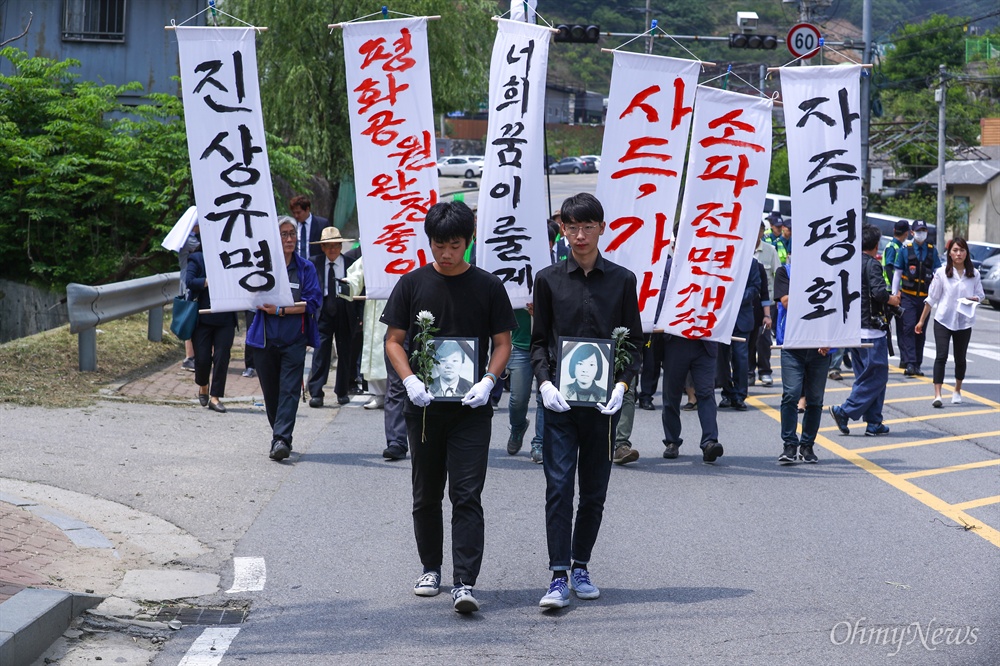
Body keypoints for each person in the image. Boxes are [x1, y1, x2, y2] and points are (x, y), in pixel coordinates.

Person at [381, 201, 515, 614]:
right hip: (423, 409)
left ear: (469, 242)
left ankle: (465, 581)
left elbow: (503, 343)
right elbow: (393, 340)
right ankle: (430, 567)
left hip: (471, 409)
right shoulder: (412, 284)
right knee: (425, 493)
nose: (446, 254)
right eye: (439, 245)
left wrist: (489, 380)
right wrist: (410, 379)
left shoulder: (489, 286)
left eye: (454, 245)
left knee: (466, 493)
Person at [530, 193, 642, 610]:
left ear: (601, 228)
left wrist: (622, 386)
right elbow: (539, 341)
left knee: (594, 491)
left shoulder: (622, 279)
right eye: (572, 227)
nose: (580, 235)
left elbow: (633, 342)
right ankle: (558, 573)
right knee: (558, 488)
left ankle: (581, 564)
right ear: (562, 229)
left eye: (588, 226)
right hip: (559, 403)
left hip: (602, 406)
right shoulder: (547, 279)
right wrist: (544, 384)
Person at [246, 217, 322, 461]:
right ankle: (279, 433)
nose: (289, 239)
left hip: (294, 340)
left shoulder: (305, 268)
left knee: (289, 390)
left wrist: (280, 310)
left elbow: (312, 302)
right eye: (284, 235)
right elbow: (247, 294)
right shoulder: (262, 267)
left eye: (292, 234)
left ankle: (281, 439)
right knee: (271, 393)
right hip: (265, 341)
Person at [828, 224, 901, 437]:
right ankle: (844, 411)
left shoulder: (849, 263)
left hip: (852, 328)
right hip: (871, 329)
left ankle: (874, 422)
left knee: (864, 377)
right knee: (877, 377)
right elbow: (879, 293)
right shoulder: (872, 264)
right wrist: (893, 299)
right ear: (877, 245)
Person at [659, 254, 722, 463]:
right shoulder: (669, 267)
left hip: (704, 340)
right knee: (671, 393)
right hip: (676, 339)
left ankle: (710, 442)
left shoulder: (714, 262)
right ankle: (671, 441)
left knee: (706, 392)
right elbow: (661, 296)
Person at [914, 237, 985, 408]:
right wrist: (921, 321)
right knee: (941, 356)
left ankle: (957, 390)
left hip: (964, 321)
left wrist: (975, 298)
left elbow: (981, 295)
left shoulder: (974, 274)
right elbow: (932, 298)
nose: (958, 254)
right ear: (949, 253)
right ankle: (937, 394)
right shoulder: (941, 273)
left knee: (960, 358)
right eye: (955, 250)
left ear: (966, 253)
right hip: (944, 319)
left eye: (961, 250)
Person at [773, 260, 831, 464]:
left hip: (821, 347)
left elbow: (837, 307)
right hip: (793, 346)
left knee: (815, 399)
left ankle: (807, 446)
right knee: (791, 394)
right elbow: (787, 302)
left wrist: (830, 339)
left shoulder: (829, 271)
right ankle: (789, 444)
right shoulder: (785, 272)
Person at [184, 230, 237, 413]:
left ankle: (215, 397)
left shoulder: (231, 258)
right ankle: (203, 385)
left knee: (222, 357)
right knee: (203, 358)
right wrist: (207, 282)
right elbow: (189, 281)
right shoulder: (197, 258)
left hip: (225, 317)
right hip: (203, 317)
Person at [307, 227, 359, 408]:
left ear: (340, 246)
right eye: (328, 246)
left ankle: (342, 391)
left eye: (336, 246)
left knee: (345, 352)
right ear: (322, 247)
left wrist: (358, 315)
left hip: (345, 310)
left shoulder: (351, 263)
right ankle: (316, 392)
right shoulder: (314, 263)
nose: (332, 250)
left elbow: (360, 290)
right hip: (322, 312)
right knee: (320, 352)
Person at [892, 219, 940, 377]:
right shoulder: (905, 249)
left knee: (920, 330)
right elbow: (898, 272)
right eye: (918, 230)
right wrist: (895, 293)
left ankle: (917, 363)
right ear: (912, 232)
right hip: (908, 296)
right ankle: (910, 362)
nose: (921, 233)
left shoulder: (932, 250)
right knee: (908, 328)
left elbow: (938, 272)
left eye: (924, 230)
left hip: (925, 299)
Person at [717, 259, 763, 411]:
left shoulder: (751, 262)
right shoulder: (720, 256)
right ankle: (727, 392)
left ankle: (740, 395)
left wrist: (737, 299)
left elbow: (755, 287)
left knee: (741, 358)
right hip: (721, 318)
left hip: (742, 316)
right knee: (721, 359)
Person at [749, 223, 778, 386]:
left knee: (764, 339)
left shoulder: (770, 250)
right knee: (748, 340)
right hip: (748, 304)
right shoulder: (742, 248)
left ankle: (765, 371)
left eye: (758, 229)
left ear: (762, 231)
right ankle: (749, 371)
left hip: (767, 303)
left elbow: (777, 273)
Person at [288, 195, 326, 259]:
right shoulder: (291, 225)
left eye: (298, 212)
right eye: (294, 213)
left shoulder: (321, 224)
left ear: (307, 209)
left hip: (315, 264)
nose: (296, 216)